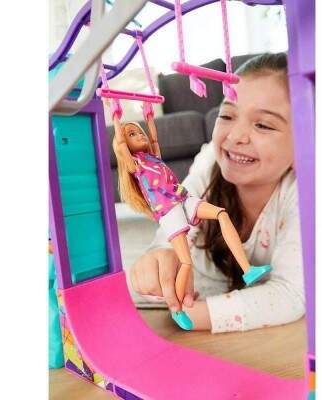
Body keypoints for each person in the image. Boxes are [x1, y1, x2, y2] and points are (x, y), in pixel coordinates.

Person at [129, 53, 305, 333]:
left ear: (306, 142)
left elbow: (292, 294)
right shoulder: (210, 160)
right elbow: (172, 227)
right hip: (201, 283)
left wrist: (198, 314)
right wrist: (160, 259)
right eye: (227, 115)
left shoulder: (301, 191)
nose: (235, 136)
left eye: (262, 124)